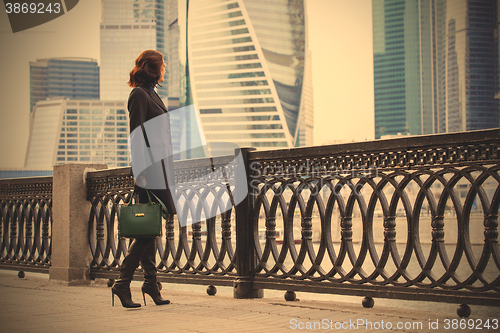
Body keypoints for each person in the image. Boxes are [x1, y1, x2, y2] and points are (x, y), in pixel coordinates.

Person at [112, 50, 176, 308]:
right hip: (149, 172)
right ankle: (122, 283)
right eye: (163, 66)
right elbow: (136, 135)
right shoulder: (139, 94)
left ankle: (150, 283)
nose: (165, 70)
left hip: (160, 168)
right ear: (154, 68)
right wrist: (141, 175)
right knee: (150, 226)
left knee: (150, 227)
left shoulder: (151, 92)